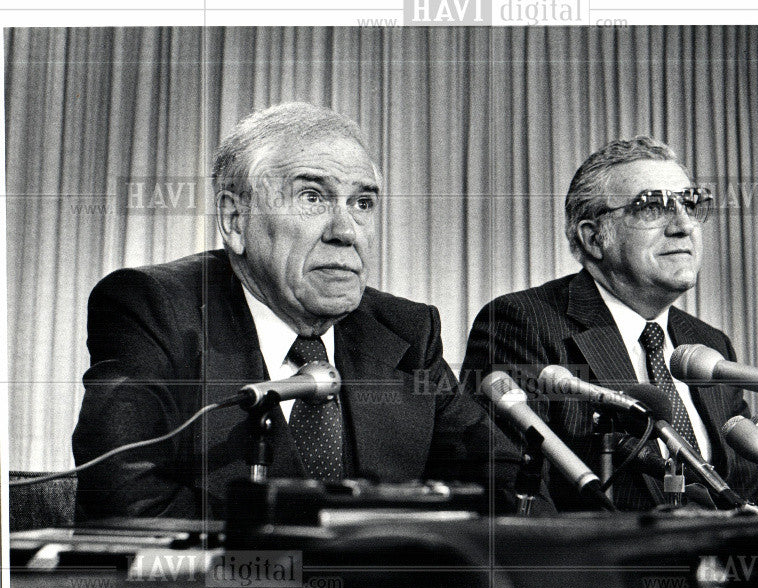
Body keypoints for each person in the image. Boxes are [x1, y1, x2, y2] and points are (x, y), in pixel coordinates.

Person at [72, 102, 522, 520]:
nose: (346, 231)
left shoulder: (406, 330)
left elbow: (502, 485)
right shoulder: (154, 309)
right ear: (235, 220)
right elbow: (126, 508)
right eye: (312, 198)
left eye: (362, 204)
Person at [462, 136, 758, 511]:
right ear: (593, 238)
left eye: (689, 204)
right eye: (653, 207)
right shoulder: (523, 324)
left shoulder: (708, 345)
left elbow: (745, 487)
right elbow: (516, 496)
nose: (684, 226)